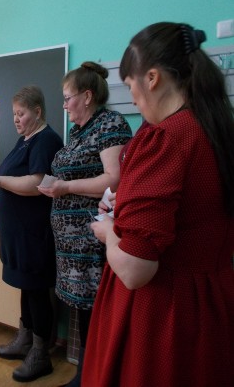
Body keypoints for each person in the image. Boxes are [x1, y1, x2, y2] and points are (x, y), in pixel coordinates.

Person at [84, 22, 234, 387]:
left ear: (152, 78)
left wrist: (109, 232)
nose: (133, 99)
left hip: (163, 317)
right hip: (212, 304)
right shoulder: (216, 130)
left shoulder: (165, 139)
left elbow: (135, 269)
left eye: (130, 86)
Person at [38, 62, 132, 387]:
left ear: (87, 96)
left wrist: (64, 187)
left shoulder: (109, 124)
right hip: (72, 247)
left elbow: (115, 180)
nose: (64, 105)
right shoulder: (79, 132)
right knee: (83, 310)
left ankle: (91, 378)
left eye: (68, 98)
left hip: (93, 241)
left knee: (95, 309)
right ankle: (85, 375)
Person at [0, 86, 63, 383]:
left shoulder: (46, 140)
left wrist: (0, 181)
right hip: (18, 233)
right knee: (26, 288)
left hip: (34, 233)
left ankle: (41, 354)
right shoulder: (24, 140)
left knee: (36, 290)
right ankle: (24, 339)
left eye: (21, 113)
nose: (16, 119)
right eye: (14, 113)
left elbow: (37, 183)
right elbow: (13, 179)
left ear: (37, 112)